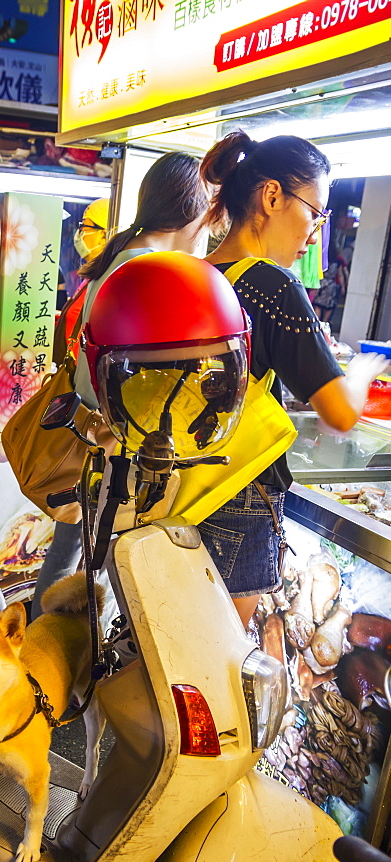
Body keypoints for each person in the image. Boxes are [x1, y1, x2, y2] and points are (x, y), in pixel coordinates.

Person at [198, 130, 387, 627]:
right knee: (217, 660)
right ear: (272, 196)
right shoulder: (274, 287)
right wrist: (364, 369)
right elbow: (341, 413)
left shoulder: (197, 273)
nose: (315, 231)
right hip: (238, 499)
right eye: (314, 212)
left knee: (176, 647)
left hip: (180, 490)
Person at [31, 152, 209, 620]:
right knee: (99, 567)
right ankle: (50, 658)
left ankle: (36, 649)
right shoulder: (149, 270)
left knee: (72, 555)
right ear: (194, 206)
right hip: (117, 450)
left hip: (92, 437)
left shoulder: (121, 256)